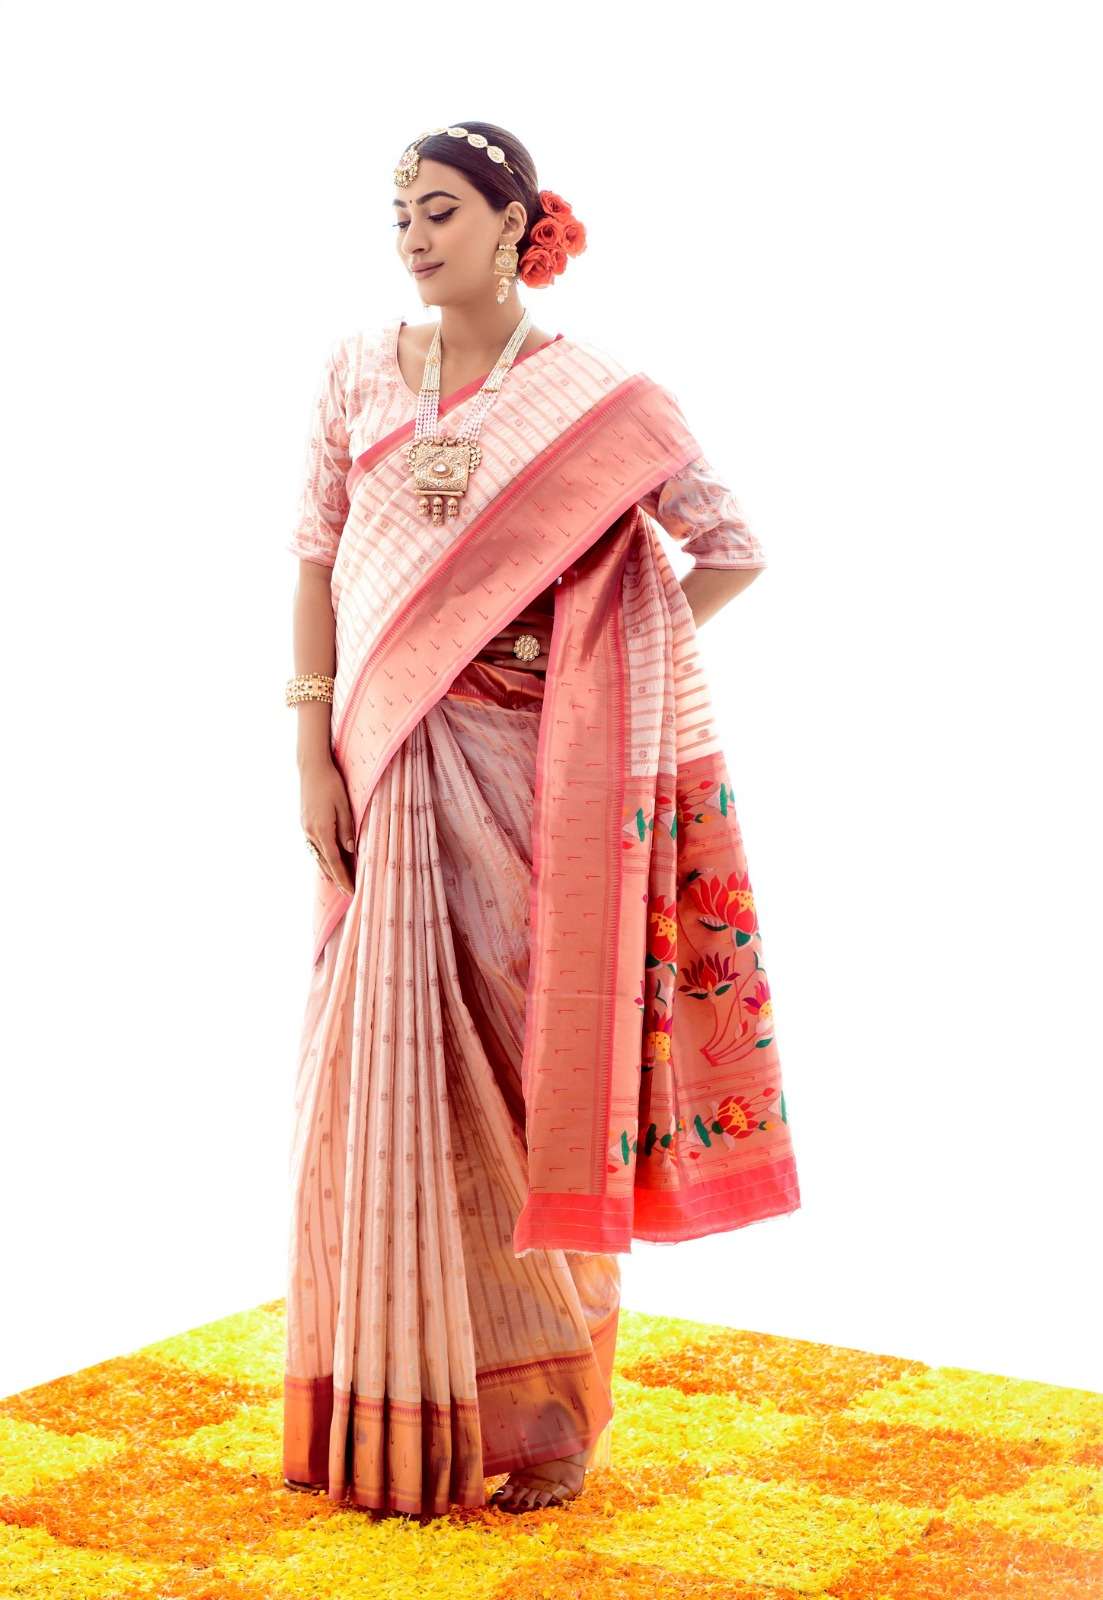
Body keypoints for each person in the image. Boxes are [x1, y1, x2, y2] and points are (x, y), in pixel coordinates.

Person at [281, 122, 800, 1520]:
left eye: (442, 210)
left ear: (518, 225)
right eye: (401, 213)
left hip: (536, 783)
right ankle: (394, 1401)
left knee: (532, 1079)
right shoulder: (354, 371)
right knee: (376, 1065)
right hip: (382, 763)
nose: (413, 236)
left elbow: (731, 547)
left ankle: (555, 1412)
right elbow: (317, 560)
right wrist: (307, 744)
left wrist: (591, 669)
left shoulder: (597, 398)